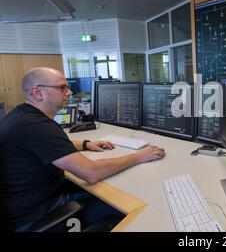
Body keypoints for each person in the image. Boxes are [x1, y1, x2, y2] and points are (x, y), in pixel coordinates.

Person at [0, 67, 166, 231]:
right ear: (37, 92)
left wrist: (85, 144)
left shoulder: (21, 116)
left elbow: (48, 148)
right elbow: (91, 173)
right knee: (128, 208)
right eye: (62, 87)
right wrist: (138, 156)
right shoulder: (37, 126)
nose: (70, 92)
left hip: (25, 206)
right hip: (38, 215)